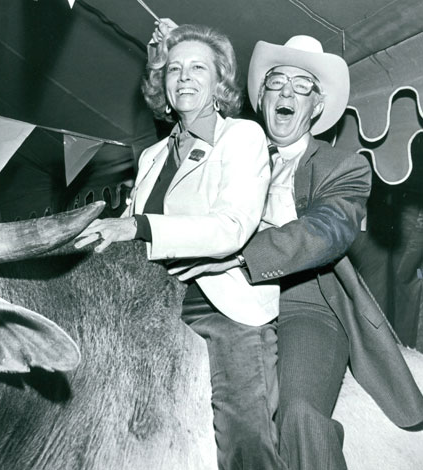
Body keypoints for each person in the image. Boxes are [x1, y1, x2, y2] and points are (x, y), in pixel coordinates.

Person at [171, 34, 423, 469]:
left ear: (317, 106)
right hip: (220, 303)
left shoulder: (342, 166)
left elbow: (328, 231)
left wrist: (241, 255)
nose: (286, 92)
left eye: (301, 86)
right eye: (276, 82)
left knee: (299, 413)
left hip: (303, 306)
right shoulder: (227, 153)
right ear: (262, 97)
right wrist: (184, 64)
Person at [75, 23, 283, 470]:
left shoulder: (242, 138)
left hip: (223, 305)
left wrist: (137, 226)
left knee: (244, 431)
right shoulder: (150, 157)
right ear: (163, 87)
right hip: (147, 304)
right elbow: (132, 234)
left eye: (198, 68)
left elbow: (231, 227)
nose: (184, 76)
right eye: (174, 69)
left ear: (219, 83)